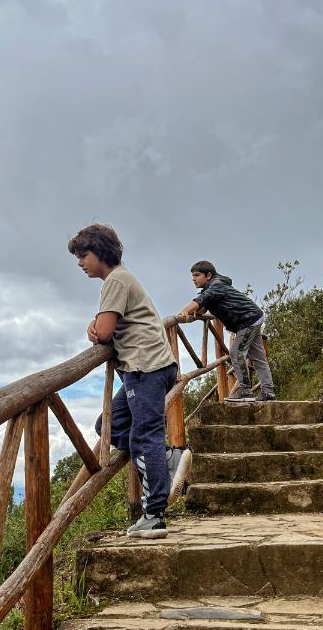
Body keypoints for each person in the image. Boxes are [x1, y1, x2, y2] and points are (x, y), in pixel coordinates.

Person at [69, 223, 182, 538]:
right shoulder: (120, 279)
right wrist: (95, 323)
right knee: (111, 425)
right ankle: (169, 457)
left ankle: (155, 515)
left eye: (84, 255)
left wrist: (93, 325)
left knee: (146, 436)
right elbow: (104, 326)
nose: (80, 262)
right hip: (147, 367)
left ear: (100, 252)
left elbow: (103, 333)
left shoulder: (116, 279)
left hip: (146, 367)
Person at [179, 260, 276, 402]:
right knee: (258, 358)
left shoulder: (216, 285)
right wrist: (195, 311)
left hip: (248, 320)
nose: (193, 279)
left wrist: (184, 311)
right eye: (192, 276)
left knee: (236, 352)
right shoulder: (212, 287)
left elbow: (203, 299)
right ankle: (268, 392)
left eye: (197, 275)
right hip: (252, 317)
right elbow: (204, 305)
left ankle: (244, 391)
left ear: (208, 275)